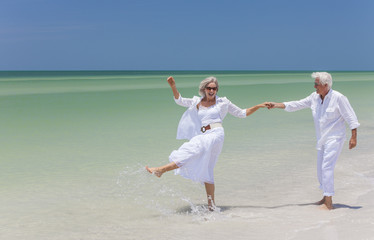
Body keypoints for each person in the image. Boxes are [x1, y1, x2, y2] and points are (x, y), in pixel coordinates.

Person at [146, 76, 267, 210]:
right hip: (204, 134)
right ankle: (212, 206)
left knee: (193, 150)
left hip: (217, 134)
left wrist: (258, 106)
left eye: (214, 88)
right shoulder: (197, 102)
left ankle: (161, 170)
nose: (211, 90)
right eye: (209, 88)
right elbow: (179, 100)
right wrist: (173, 86)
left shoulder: (223, 102)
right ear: (204, 89)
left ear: (217, 90)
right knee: (207, 170)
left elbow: (242, 113)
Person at [267, 72, 360, 210]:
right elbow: (296, 104)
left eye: (317, 84)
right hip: (321, 139)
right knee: (320, 169)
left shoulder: (338, 98)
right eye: (315, 83)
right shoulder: (314, 97)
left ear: (326, 85)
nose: (314, 86)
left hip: (335, 137)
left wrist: (354, 137)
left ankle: (329, 203)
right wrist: (276, 105)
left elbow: (351, 117)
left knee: (326, 167)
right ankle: (325, 196)